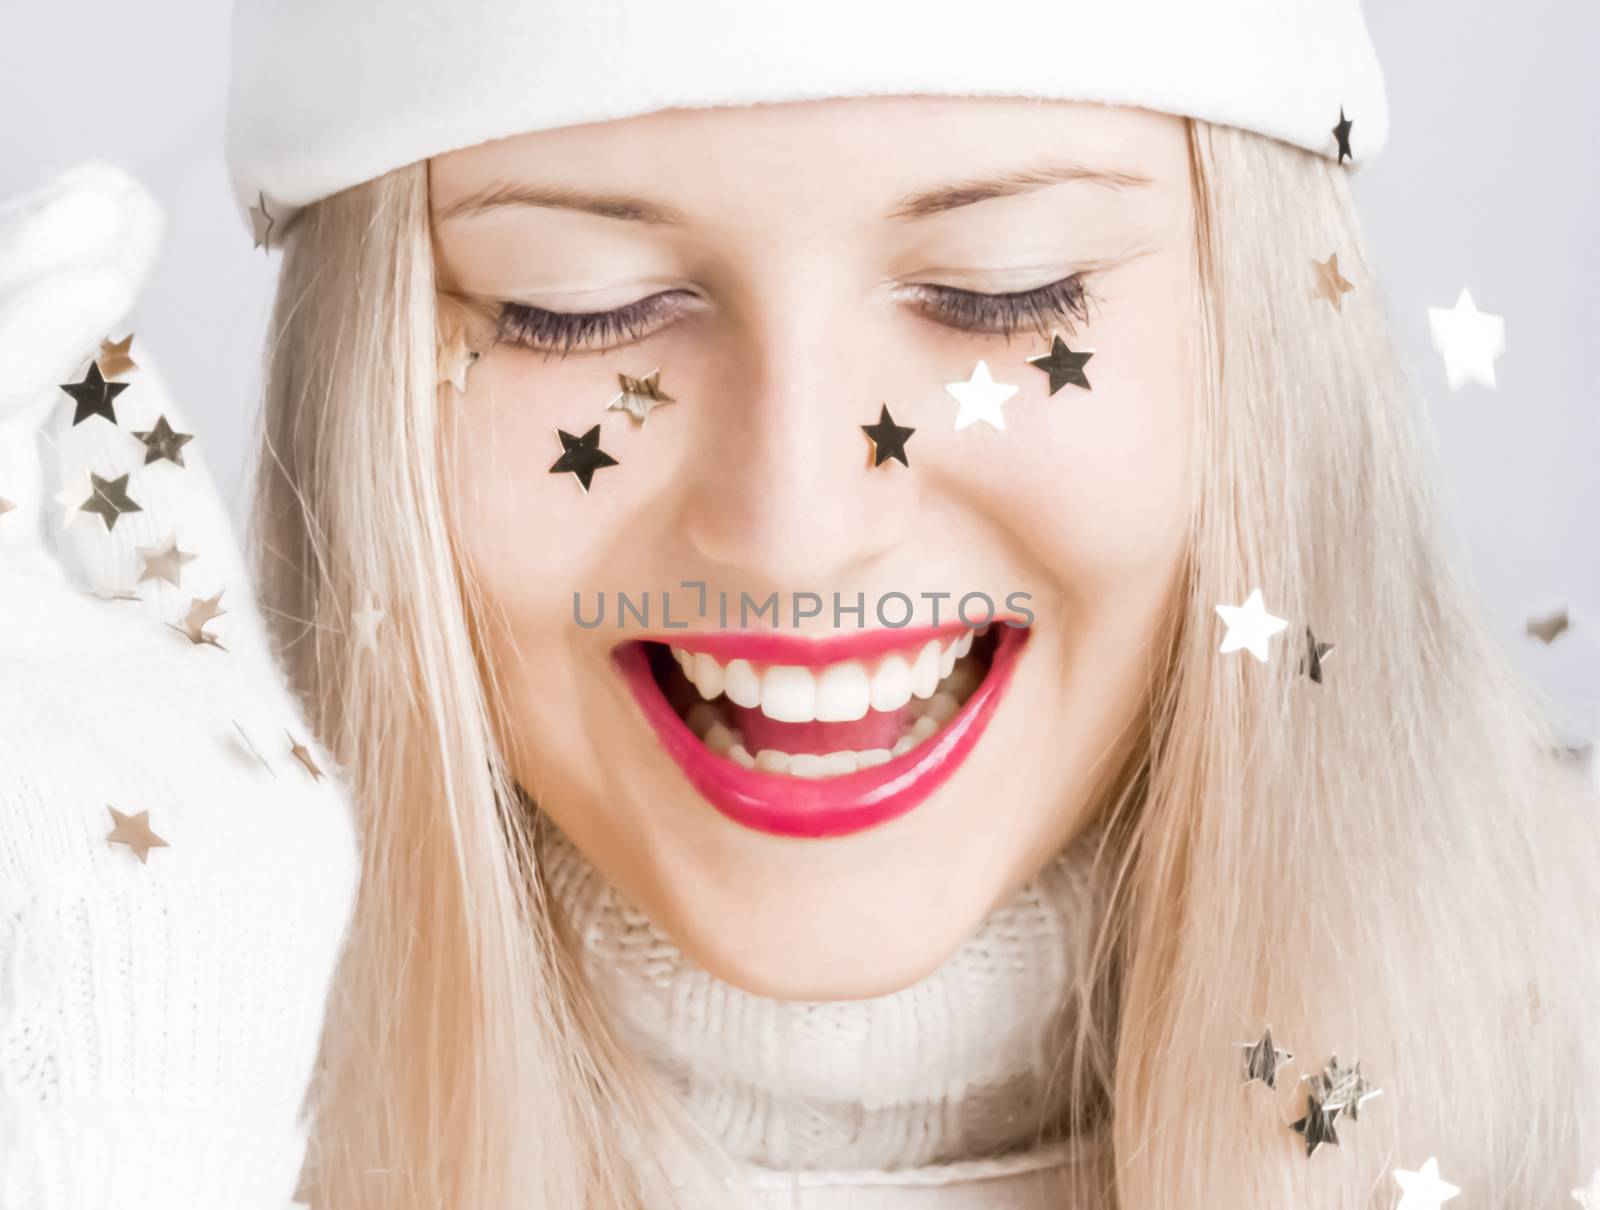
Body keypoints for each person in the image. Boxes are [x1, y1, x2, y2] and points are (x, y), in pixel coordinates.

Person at [2, 2, 1597, 1207]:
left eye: (1003, 291)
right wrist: (119, 1120)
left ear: (1269, 337)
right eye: (582, 309)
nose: (796, 529)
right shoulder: (108, 1076)